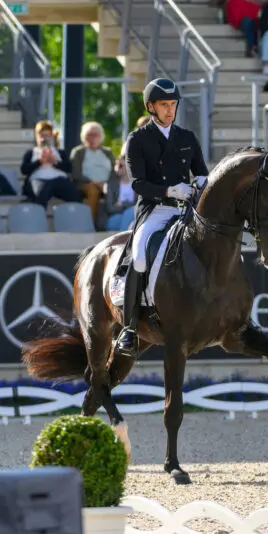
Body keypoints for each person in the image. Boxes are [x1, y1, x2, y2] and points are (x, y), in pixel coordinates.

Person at [114, 78, 208, 359]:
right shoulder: (138, 140)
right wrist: (168, 190)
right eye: (164, 105)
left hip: (186, 209)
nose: (170, 110)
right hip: (155, 209)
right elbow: (138, 184)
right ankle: (129, 328)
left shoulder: (187, 138)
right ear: (151, 107)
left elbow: (201, 172)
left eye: (173, 105)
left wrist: (204, 182)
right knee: (140, 255)